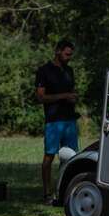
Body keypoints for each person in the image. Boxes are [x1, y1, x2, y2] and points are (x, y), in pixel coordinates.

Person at [35, 40, 78, 205]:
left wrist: (73, 97)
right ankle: (47, 193)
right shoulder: (44, 71)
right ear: (58, 51)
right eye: (67, 54)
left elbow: (70, 91)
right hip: (53, 120)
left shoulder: (69, 70)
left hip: (70, 120)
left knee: (71, 157)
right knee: (49, 156)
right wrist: (64, 96)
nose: (69, 58)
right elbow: (40, 97)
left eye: (71, 55)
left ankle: (66, 193)